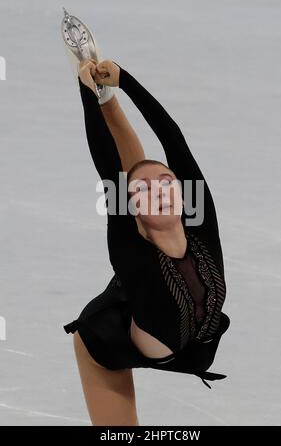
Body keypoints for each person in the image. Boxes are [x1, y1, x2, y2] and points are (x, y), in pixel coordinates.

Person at [63, 58, 230, 426]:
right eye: (145, 191)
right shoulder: (130, 245)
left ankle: (111, 99)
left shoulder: (202, 225)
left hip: (183, 342)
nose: (160, 191)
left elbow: (174, 139)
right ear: (131, 206)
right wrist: (87, 94)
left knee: (143, 167)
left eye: (167, 183)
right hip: (107, 343)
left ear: (185, 195)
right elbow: (108, 163)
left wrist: (126, 82)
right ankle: (107, 103)